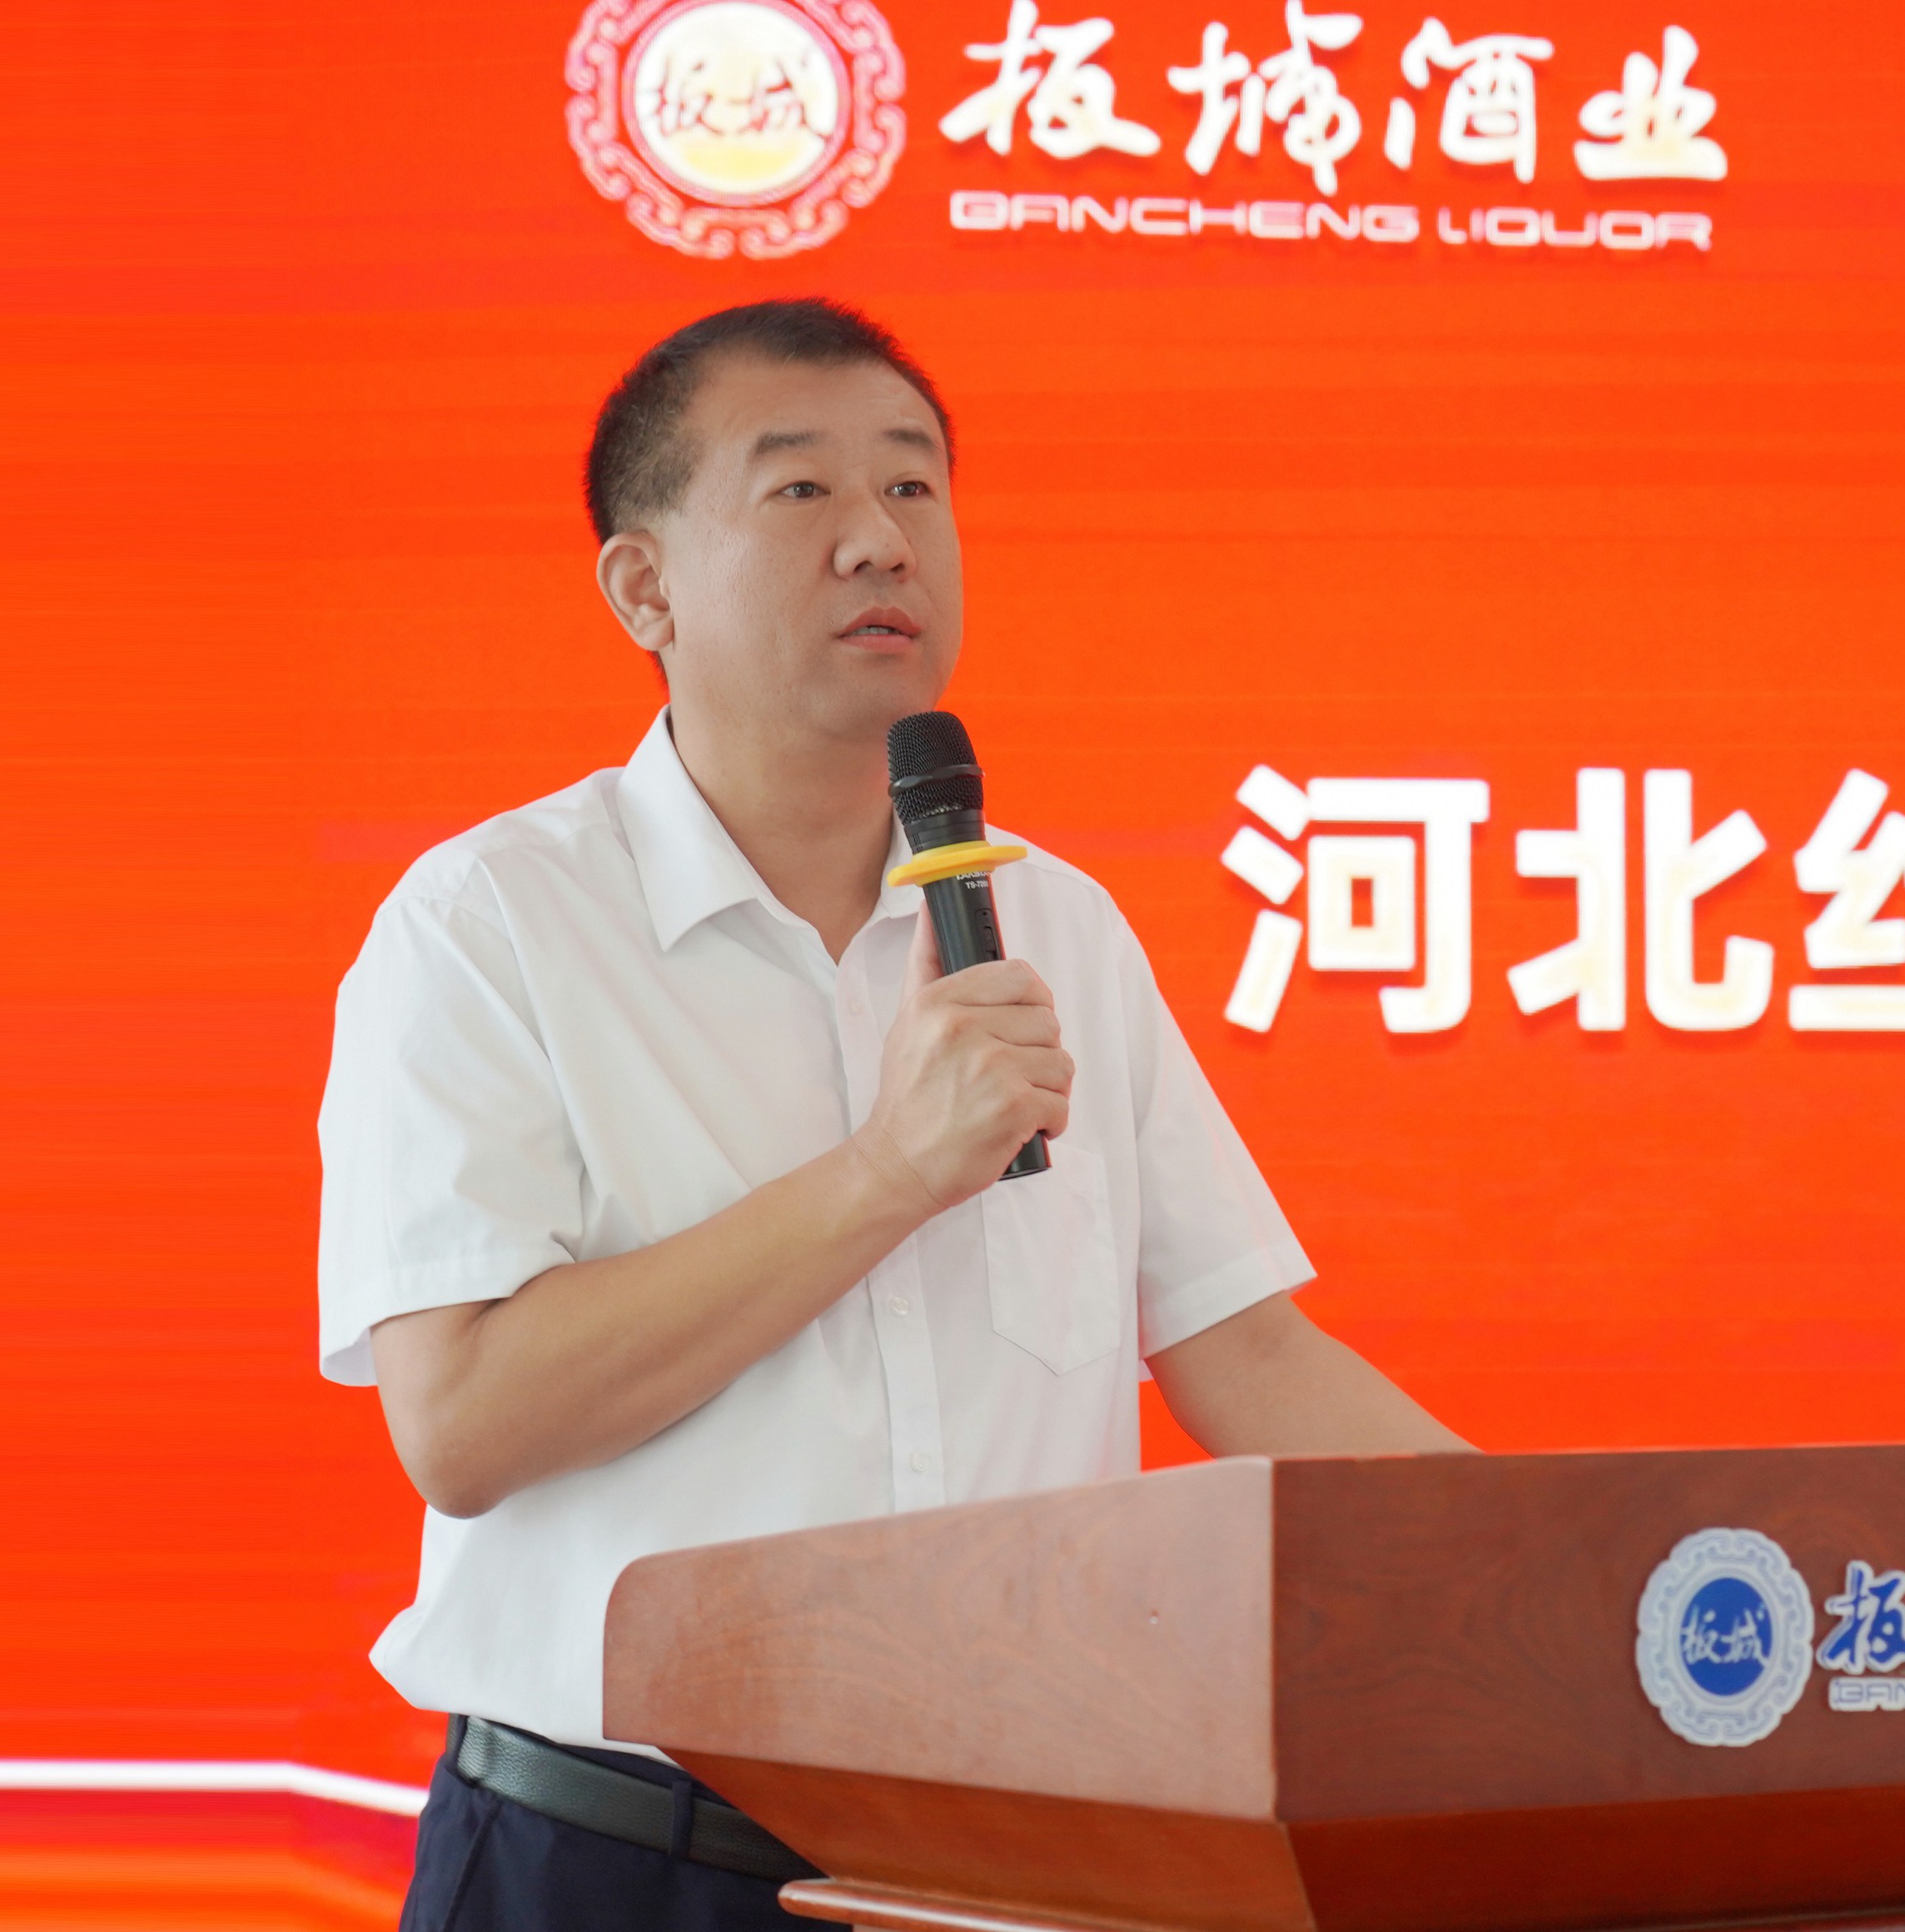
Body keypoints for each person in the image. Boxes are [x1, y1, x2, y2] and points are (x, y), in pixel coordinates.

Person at [316, 298, 1471, 1932]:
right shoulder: (492, 924)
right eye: (801, 490)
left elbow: (1248, 1352)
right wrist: (888, 1171)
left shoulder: (1054, 923)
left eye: (913, 486)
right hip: (620, 1863)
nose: (879, 540)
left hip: (1003, 1865)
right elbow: (463, 1420)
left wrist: (1573, 1580)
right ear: (642, 587)